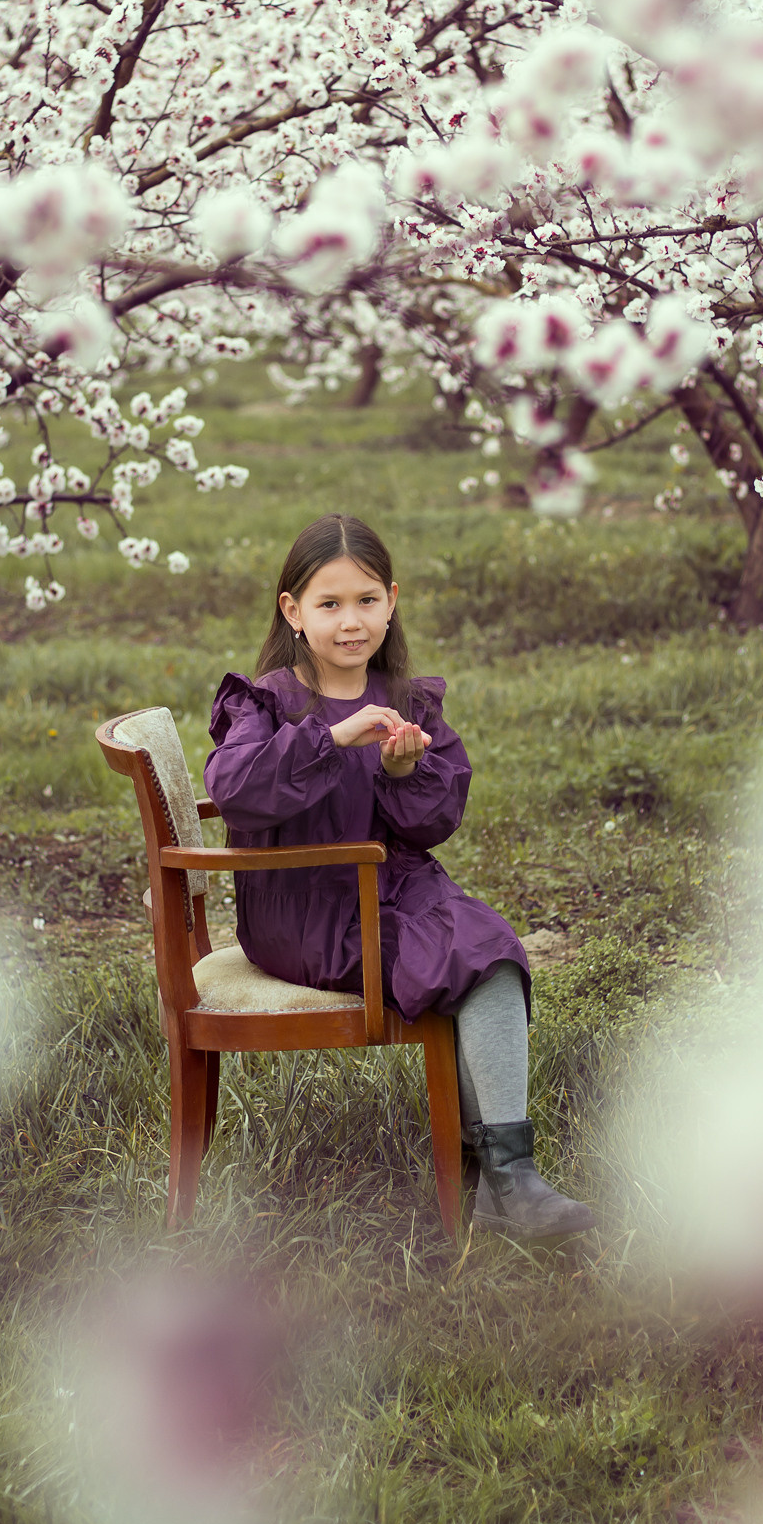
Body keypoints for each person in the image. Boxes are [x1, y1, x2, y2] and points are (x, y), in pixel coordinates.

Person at [203, 512, 594, 1242]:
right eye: (328, 604)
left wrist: (402, 772)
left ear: (391, 600)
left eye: (365, 601)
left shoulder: (409, 703)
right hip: (305, 906)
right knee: (463, 957)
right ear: (292, 611)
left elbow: (434, 822)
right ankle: (506, 1189)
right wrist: (331, 738)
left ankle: (511, 1177)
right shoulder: (266, 701)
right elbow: (236, 788)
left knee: (493, 948)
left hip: (393, 885)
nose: (350, 622)